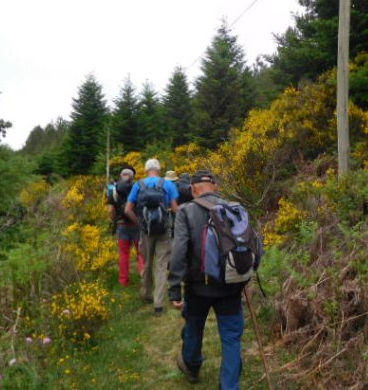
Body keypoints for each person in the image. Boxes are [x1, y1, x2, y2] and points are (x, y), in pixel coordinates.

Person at [169, 170, 258, 389]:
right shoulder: (233, 209)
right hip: (230, 285)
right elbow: (254, 243)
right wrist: (245, 274)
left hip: (198, 286)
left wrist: (174, 289)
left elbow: (179, 251)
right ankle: (229, 385)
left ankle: (191, 365)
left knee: (194, 326)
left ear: (192, 189)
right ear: (215, 187)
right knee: (231, 337)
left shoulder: (186, 211)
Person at [125, 159, 178, 315]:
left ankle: (147, 293)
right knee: (161, 266)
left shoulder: (138, 185)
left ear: (146, 170)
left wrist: (139, 222)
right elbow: (175, 209)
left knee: (147, 263)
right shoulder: (168, 184)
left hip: (146, 231)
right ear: (159, 169)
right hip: (163, 230)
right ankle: (158, 304)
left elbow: (128, 209)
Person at [106, 167, 143, 287]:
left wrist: (114, 221)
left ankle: (123, 281)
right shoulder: (138, 187)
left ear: (121, 176)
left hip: (121, 225)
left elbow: (110, 210)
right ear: (132, 177)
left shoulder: (114, 189)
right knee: (141, 252)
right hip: (137, 224)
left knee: (123, 254)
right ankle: (144, 275)